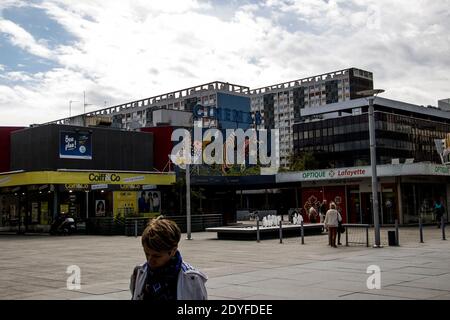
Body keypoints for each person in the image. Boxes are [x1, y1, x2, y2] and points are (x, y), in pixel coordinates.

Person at [130, 216, 208, 300]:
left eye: (157, 256)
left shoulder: (192, 279)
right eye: (147, 254)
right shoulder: (139, 272)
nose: (150, 260)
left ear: (173, 250)